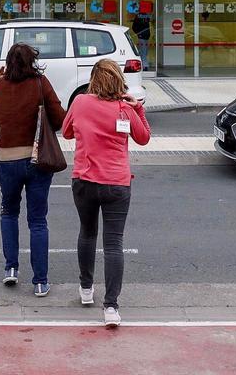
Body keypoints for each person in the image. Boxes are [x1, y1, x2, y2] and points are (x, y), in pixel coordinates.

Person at [61, 59, 151, 328]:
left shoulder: (79, 103)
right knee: (114, 244)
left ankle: (86, 289)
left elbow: (66, 133)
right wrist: (139, 108)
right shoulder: (125, 108)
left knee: (87, 233)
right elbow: (144, 137)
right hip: (117, 183)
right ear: (118, 81)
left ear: (93, 80)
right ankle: (111, 306)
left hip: (84, 180)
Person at [0, 42, 66, 297]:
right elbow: (60, 120)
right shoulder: (41, 85)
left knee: (8, 212)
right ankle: (40, 281)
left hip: (7, 158)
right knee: (38, 221)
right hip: (37, 159)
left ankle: (11, 268)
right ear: (32, 61)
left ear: (8, 62)